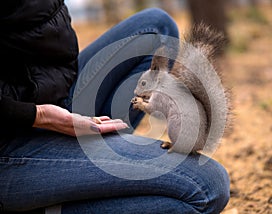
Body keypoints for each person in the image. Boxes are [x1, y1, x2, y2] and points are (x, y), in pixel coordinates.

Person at [0, 1, 230, 213]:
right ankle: (48, 205)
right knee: (206, 188)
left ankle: (94, 169)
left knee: (157, 28)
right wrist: (39, 115)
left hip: (48, 92)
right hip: (14, 135)